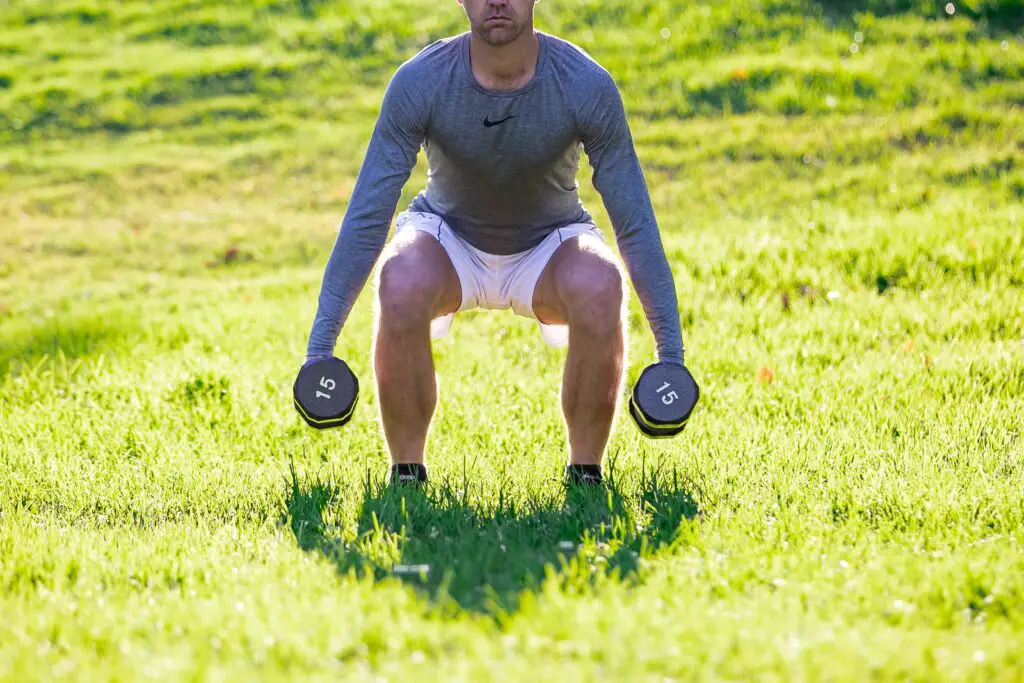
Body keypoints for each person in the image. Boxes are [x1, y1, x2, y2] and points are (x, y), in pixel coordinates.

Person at [304, 0, 686, 487]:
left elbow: (634, 221)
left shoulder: (584, 84)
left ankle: (586, 474)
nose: (498, 1)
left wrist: (670, 357)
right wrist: (320, 350)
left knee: (601, 280)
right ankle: (406, 474)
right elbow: (368, 215)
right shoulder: (421, 81)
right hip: (448, 237)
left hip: (549, 241)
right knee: (399, 276)